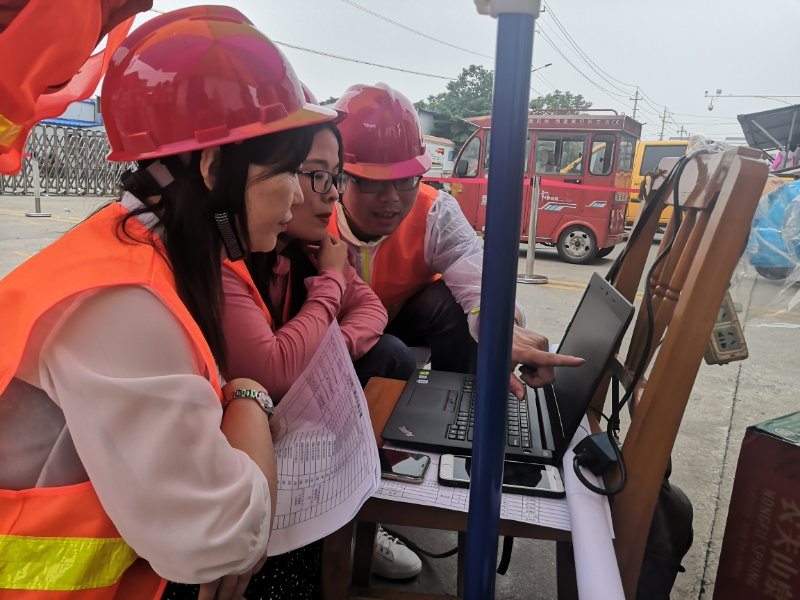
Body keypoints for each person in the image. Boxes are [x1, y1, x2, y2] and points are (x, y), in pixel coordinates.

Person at [0, 6, 339, 599]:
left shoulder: (148, 252)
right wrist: (249, 397)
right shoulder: (124, 302)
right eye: (291, 171)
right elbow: (226, 538)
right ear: (214, 166)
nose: (300, 196)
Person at [220, 104, 420, 584]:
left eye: (336, 177)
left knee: (391, 353)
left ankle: (351, 505)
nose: (330, 194)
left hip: (278, 409)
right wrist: (329, 284)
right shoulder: (223, 257)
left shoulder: (307, 246)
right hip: (236, 424)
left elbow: (371, 309)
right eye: (311, 175)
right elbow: (270, 371)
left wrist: (322, 356)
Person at [329, 83, 583, 399]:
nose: (392, 198)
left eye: (406, 179)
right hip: (329, 338)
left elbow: (478, 282)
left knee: (452, 303)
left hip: (403, 322)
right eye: (373, 182)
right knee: (389, 352)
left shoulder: (434, 212)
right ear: (338, 177)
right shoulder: (310, 215)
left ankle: (457, 405)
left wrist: (502, 331)